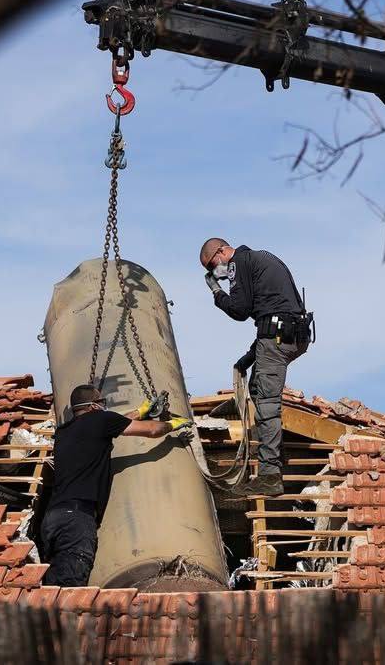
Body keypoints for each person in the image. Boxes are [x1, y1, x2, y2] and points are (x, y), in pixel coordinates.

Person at [40, 384, 191, 587]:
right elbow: (153, 430)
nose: (105, 406)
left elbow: (114, 423)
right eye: (102, 402)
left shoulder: (64, 431)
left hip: (52, 519)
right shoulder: (101, 420)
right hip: (76, 520)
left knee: (53, 582)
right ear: (93, 406)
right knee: (70, 587)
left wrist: (140, 411)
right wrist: (172, 424)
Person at [200, 237, 312, 496]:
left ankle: (270, 475)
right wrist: (250, 356)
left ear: (221, 252)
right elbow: (272, 313)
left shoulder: (238, 261)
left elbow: (240, 310)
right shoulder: (262, 258)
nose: (214, 272)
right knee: (259, 389)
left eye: (212, 266)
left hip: (279, 336)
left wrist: (217, 293)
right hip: (291, 336)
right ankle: (272, 457)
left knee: (266, 404)